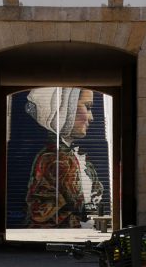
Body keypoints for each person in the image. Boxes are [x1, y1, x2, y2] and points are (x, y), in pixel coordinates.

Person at [24, 86, 104, 228]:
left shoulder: (73, 156)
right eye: (88, 107)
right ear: (67, 110)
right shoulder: (53, 159)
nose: (92, 117)